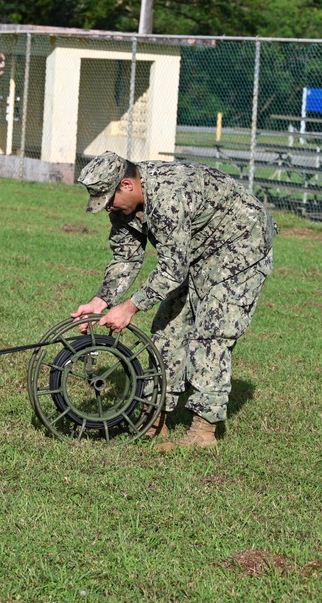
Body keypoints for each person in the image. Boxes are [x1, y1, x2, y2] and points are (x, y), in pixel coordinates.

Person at [71, 152, 277, 451]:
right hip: (195, 250)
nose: (108, 208)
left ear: (126, 185)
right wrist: (100, 300)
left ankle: (202, 433)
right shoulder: (124, 207)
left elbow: (172, 269)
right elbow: (126, 256)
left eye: (108, 200)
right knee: (167, 328)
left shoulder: (168, 194)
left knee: (212, 333)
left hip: (241, 243)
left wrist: (129, 308)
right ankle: (155, 419)